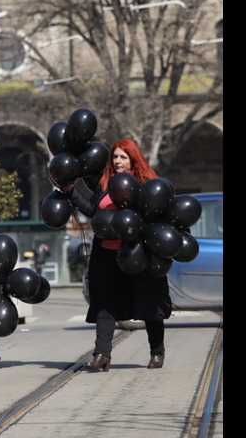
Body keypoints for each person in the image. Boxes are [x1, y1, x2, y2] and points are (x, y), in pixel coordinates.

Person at [61, 138, 173, 371]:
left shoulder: (146, 182)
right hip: (107, 255)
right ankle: (102, 354)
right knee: (105, 304)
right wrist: (72, 192)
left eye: (123, 156)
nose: (118, 161)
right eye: (115, 156)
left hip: (138, 254)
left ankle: (157, 351)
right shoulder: (105, 183)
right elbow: (92, 210)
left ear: (133, 159)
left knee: (149, 304)